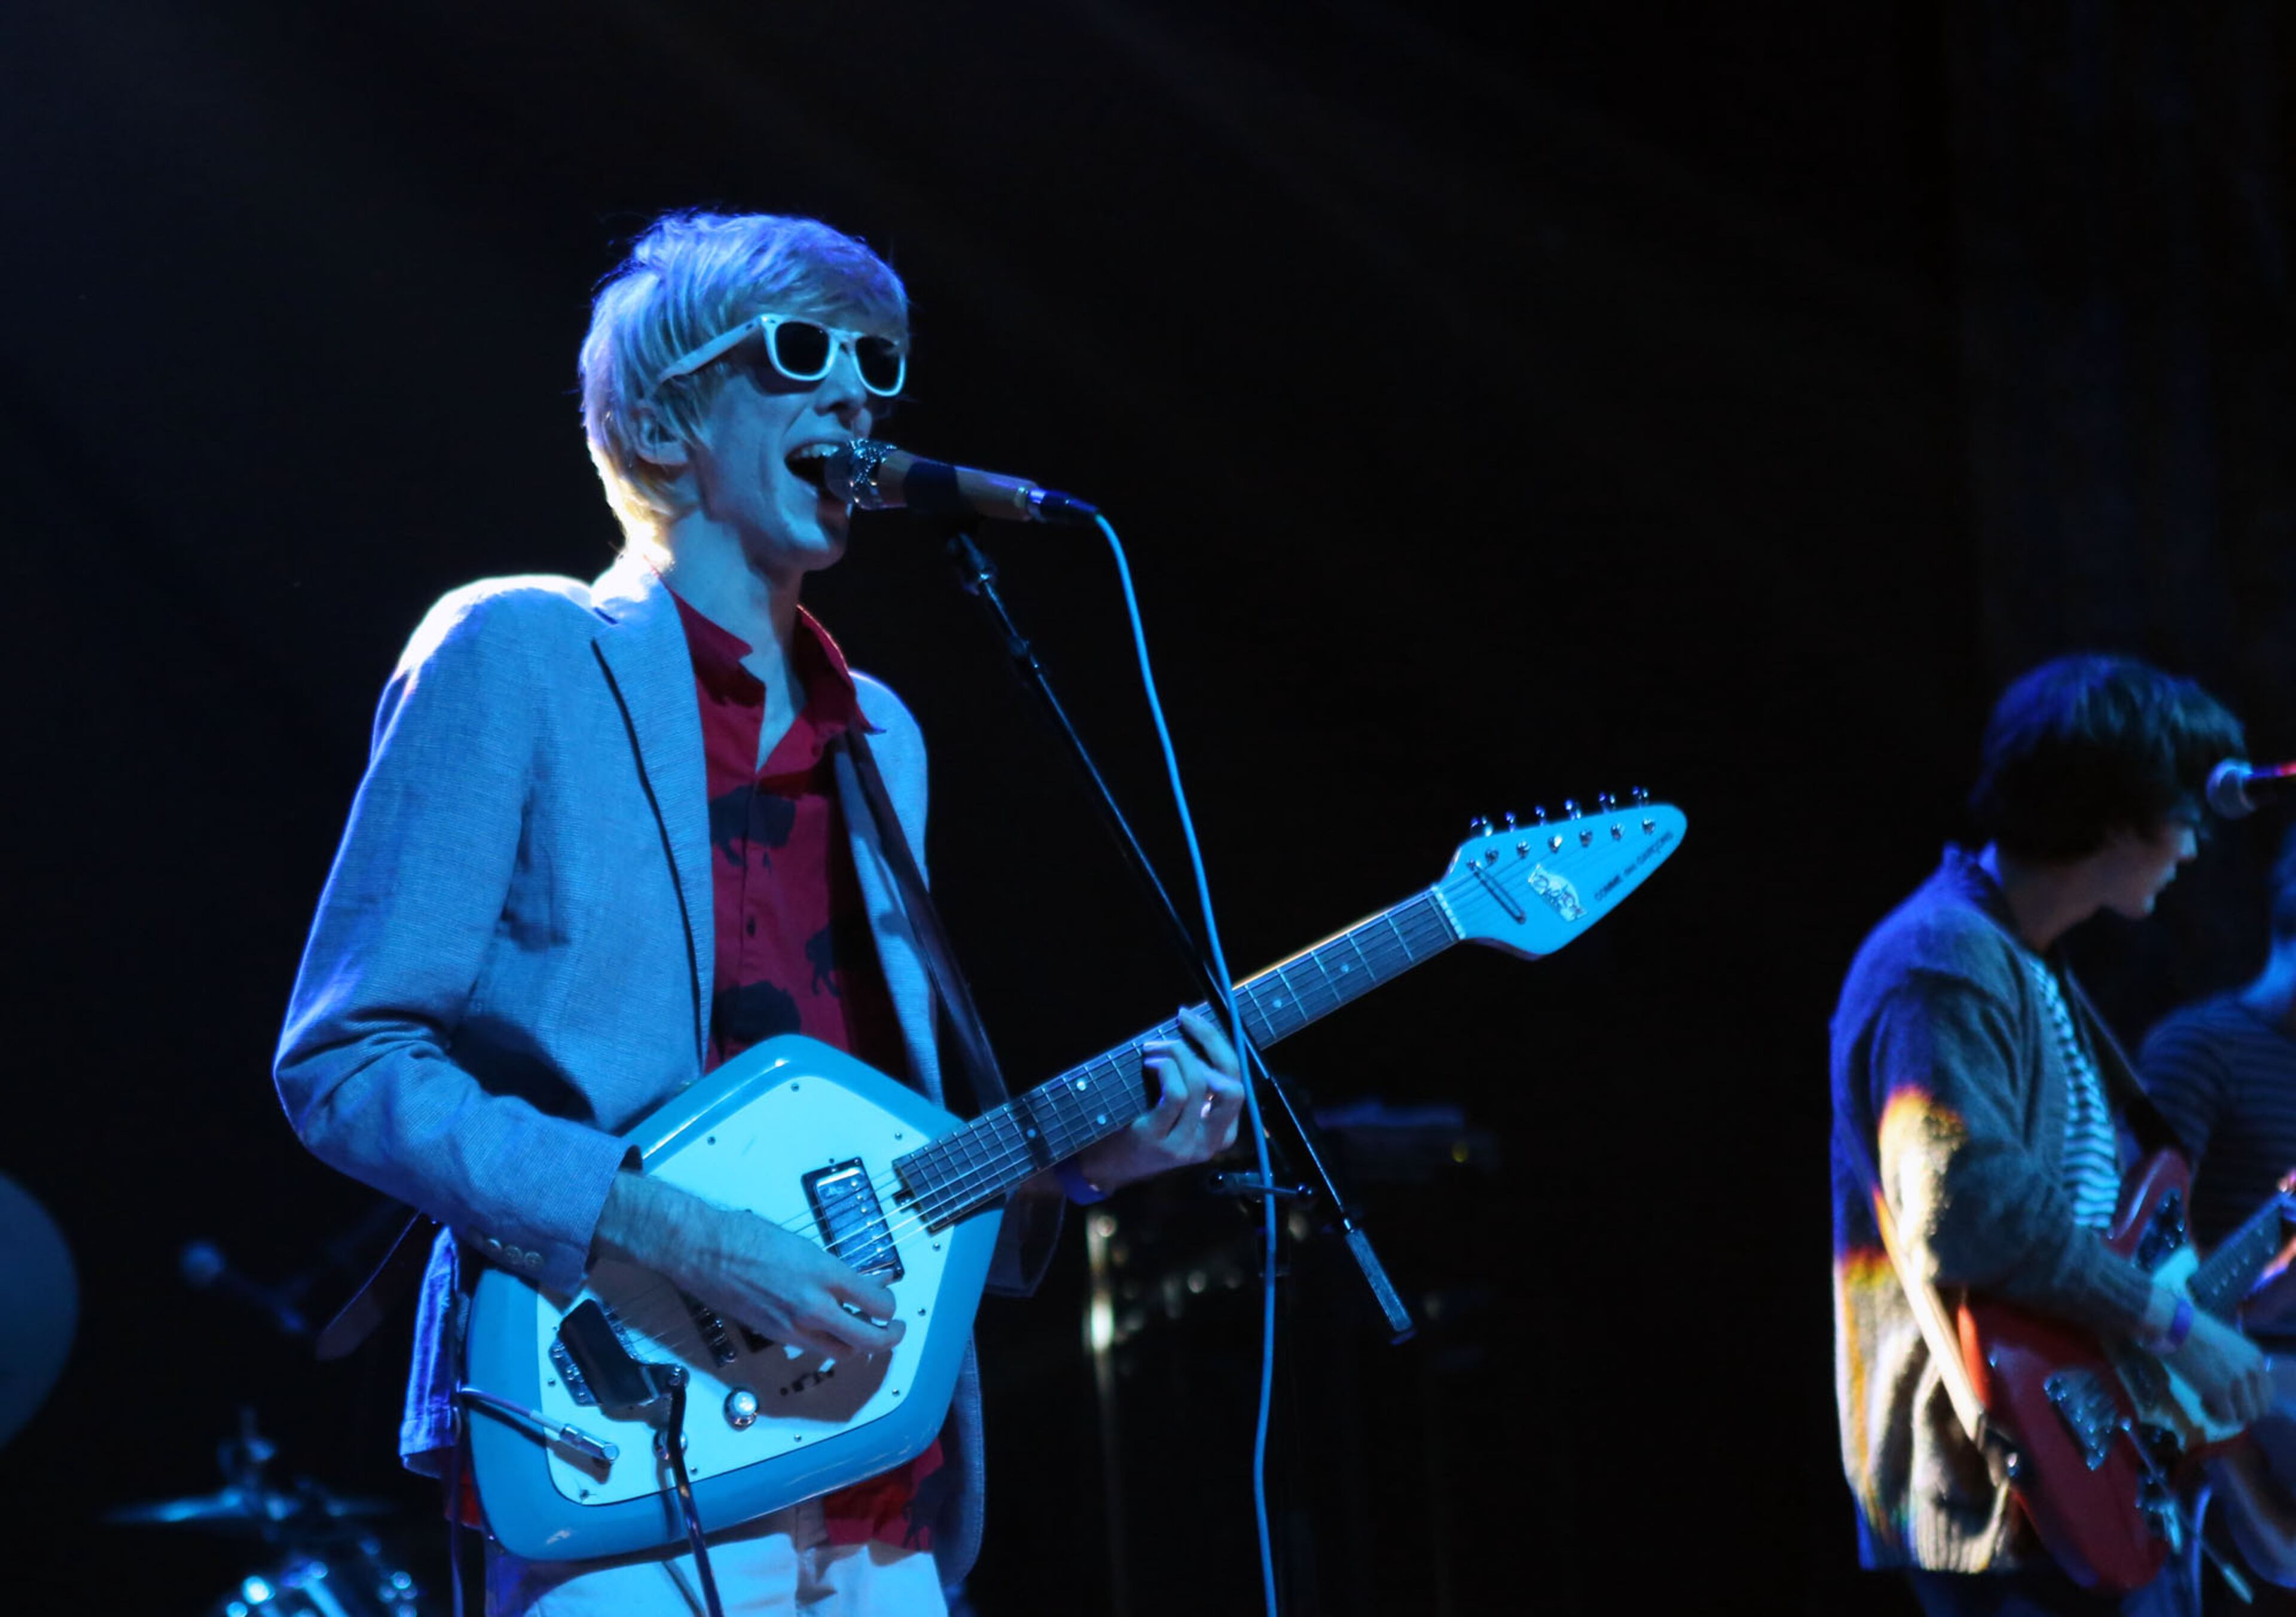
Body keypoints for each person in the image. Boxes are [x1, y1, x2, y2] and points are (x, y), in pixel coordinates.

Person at [273, 210, 1248, 1616]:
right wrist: (666, 1226)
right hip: (608, 1430)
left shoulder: (886, 741)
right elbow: (346, 1061)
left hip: (871, 1477)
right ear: (666, 424)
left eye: (880, 362)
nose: (857, 395)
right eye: (801, 355)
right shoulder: (524, 653)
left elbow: (859, 1152)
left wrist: (1080, 1169)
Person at [1829, 653, 2274, 1616]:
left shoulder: (2022, 961)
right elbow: (1969, 1211)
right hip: (2001, 1482)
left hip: (2074, 1456)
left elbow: (2088, 1221)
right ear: (2116, 815)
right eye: (2187, 816)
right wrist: (2177, 1326)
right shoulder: (1942, 958)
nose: (2195, 848)